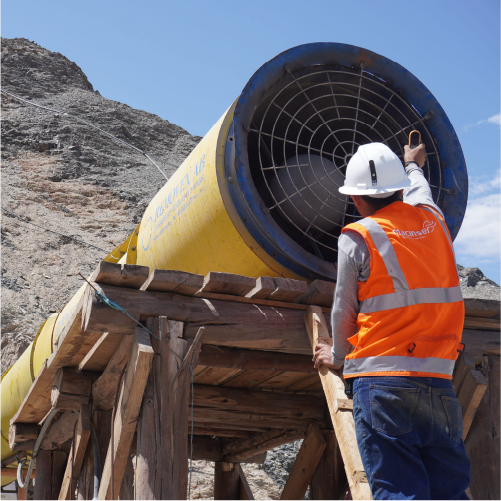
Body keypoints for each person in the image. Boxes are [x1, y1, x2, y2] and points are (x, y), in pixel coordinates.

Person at [313, 142, 471, 501]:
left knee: (400, 491)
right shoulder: (435, 221)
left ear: (355, 200)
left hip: (382, 380)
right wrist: (413, 165)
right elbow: (422, 192)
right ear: (401, 190)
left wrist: (337, 355)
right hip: (438, 382)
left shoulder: (358, 236)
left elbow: (343, 308)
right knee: (449, 492)